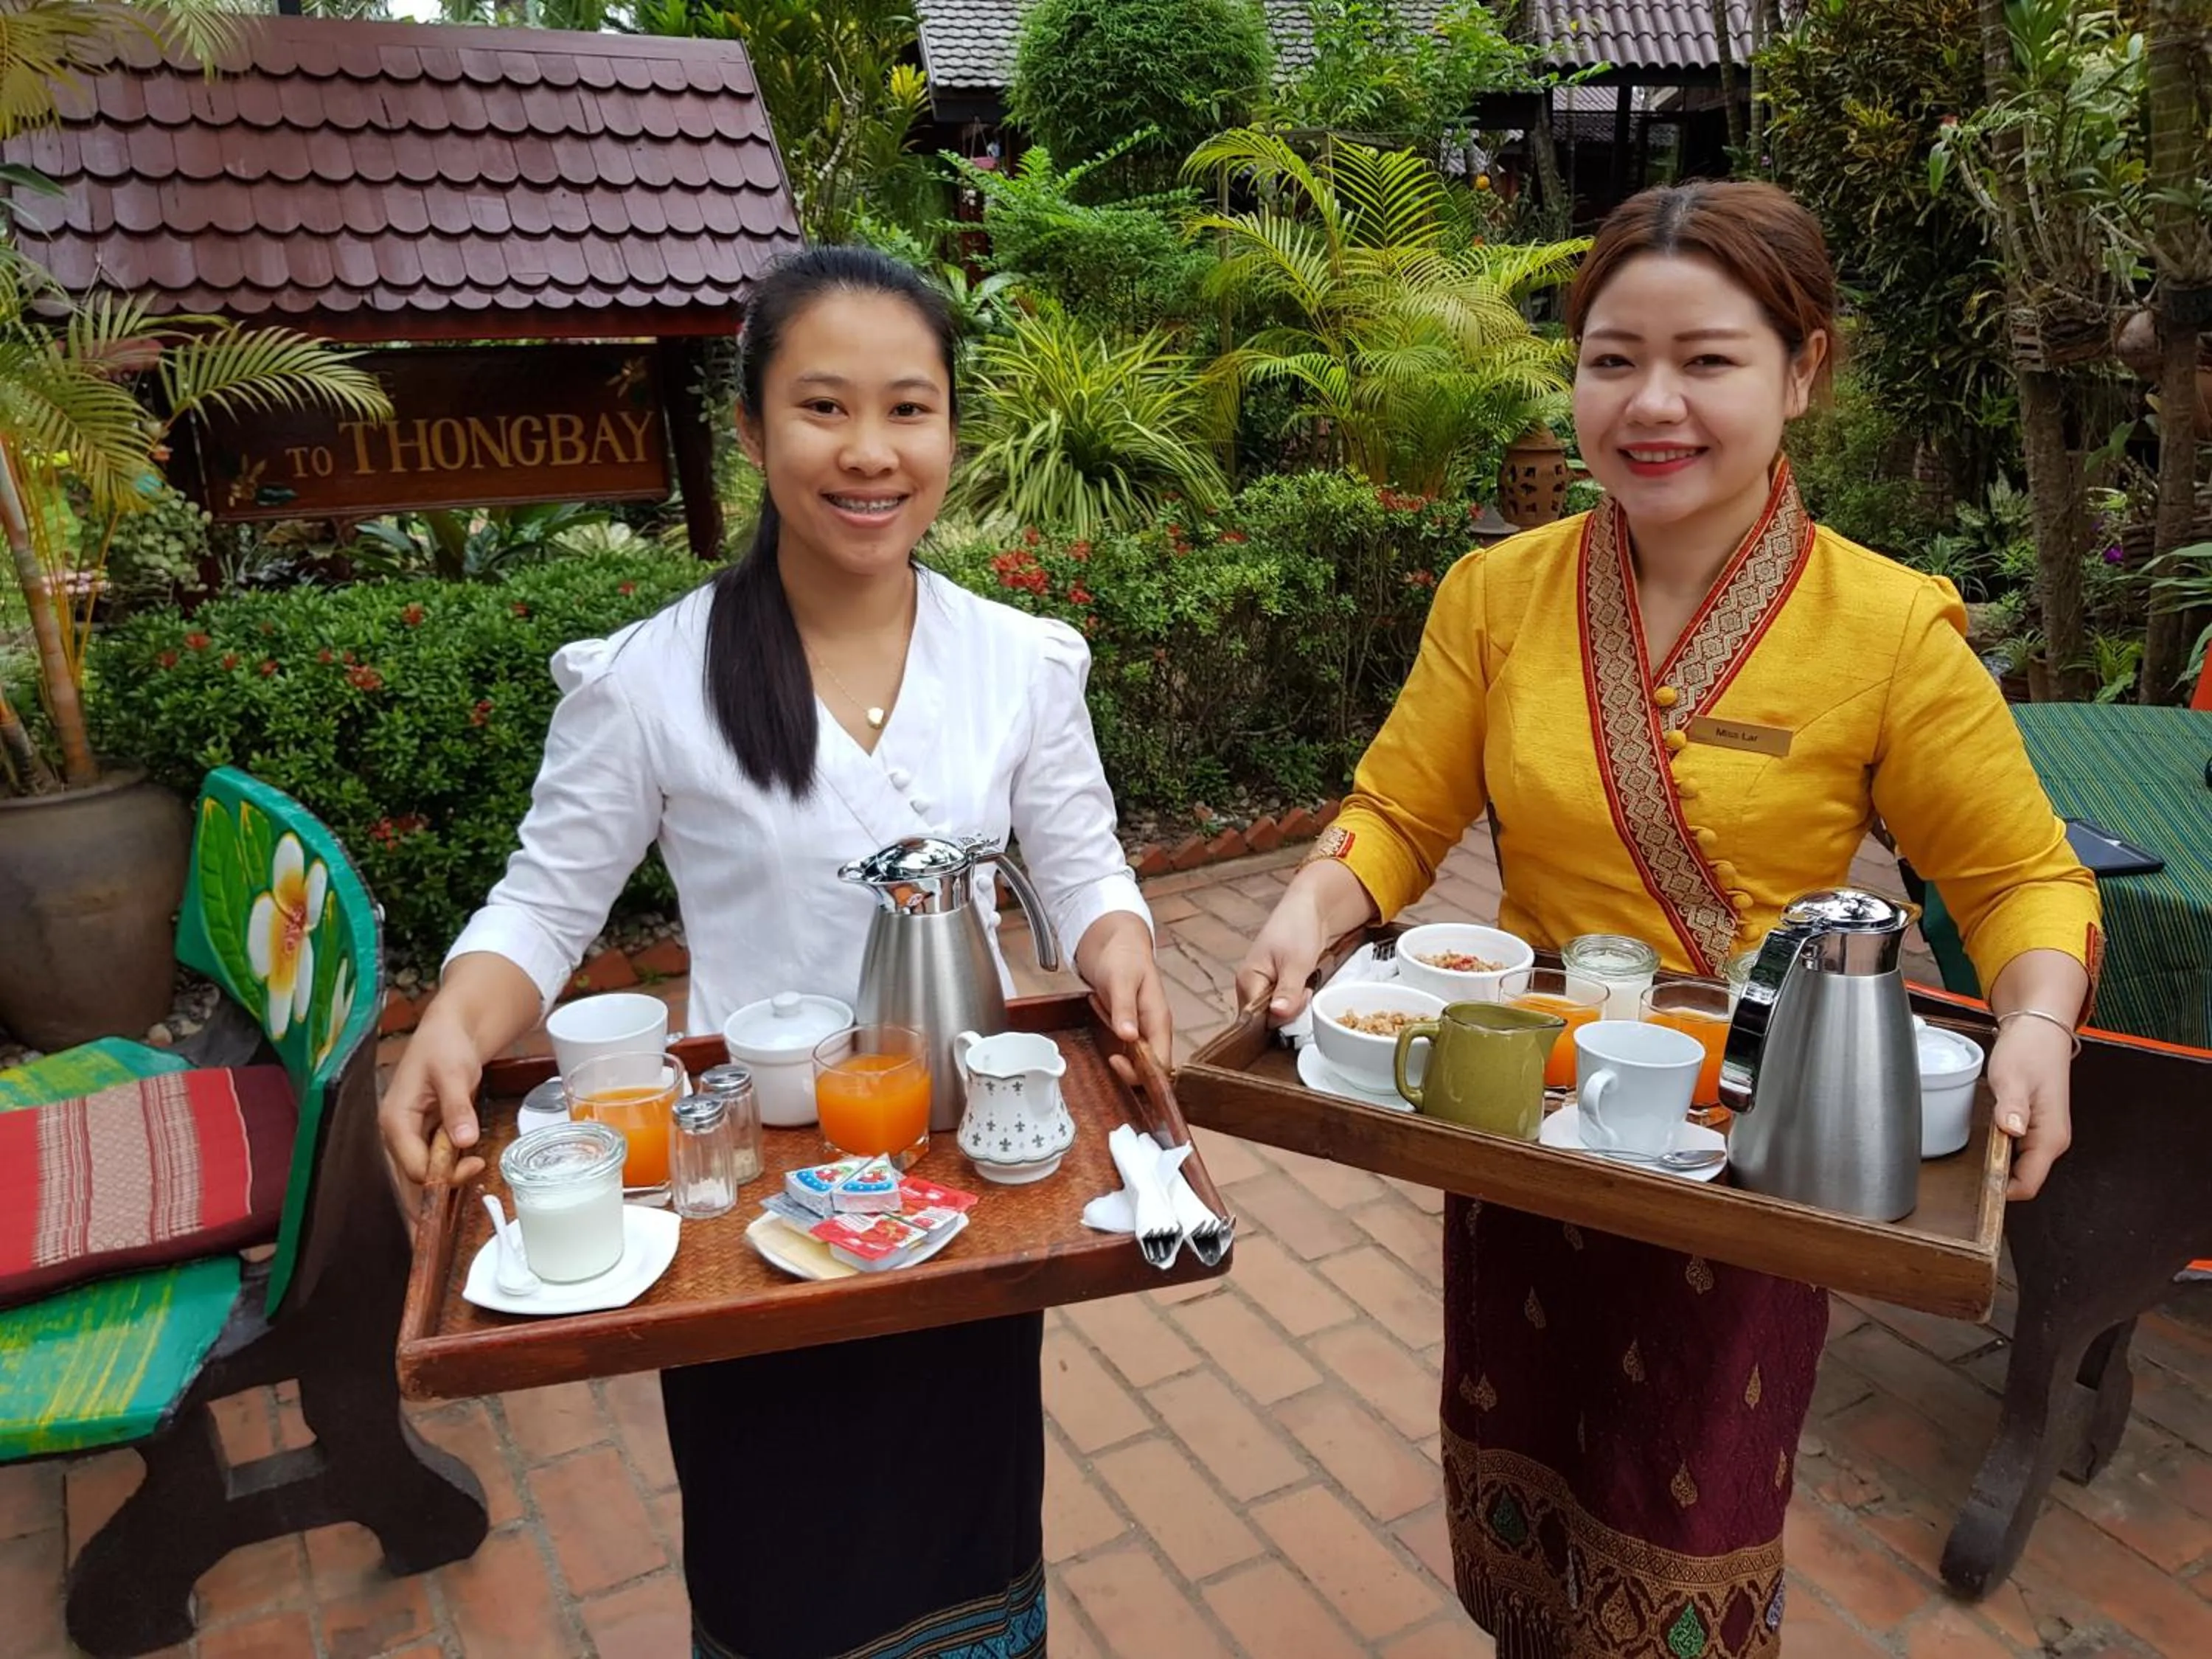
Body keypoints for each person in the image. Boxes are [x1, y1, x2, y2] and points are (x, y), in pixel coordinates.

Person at [1237, 181, 2098, 1658]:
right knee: (1518, 1475)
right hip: (1519, 1108)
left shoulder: (1888, 629)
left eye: (1707, 360)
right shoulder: (1498, 594)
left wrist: (2038, 1023)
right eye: (1610, 358)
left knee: (1685, 1527)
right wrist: (1314, 907)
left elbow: (2025, 880)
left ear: (1803, 372)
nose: (1652, 403)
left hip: (1752, 1144)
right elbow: (1398, 809)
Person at [378, 246, 1170, 1659]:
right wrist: (454, 1021)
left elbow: (1084, 861)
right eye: (823, 408)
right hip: (752, 1197)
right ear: (751, 430)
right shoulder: (650, 680)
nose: (870, 452)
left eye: (909, 409)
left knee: (966, 1532)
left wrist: (1118, 947)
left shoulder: (1019, 663)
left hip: (963, 1177)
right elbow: (544, 906)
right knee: (780, 1556)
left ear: (951, 431)